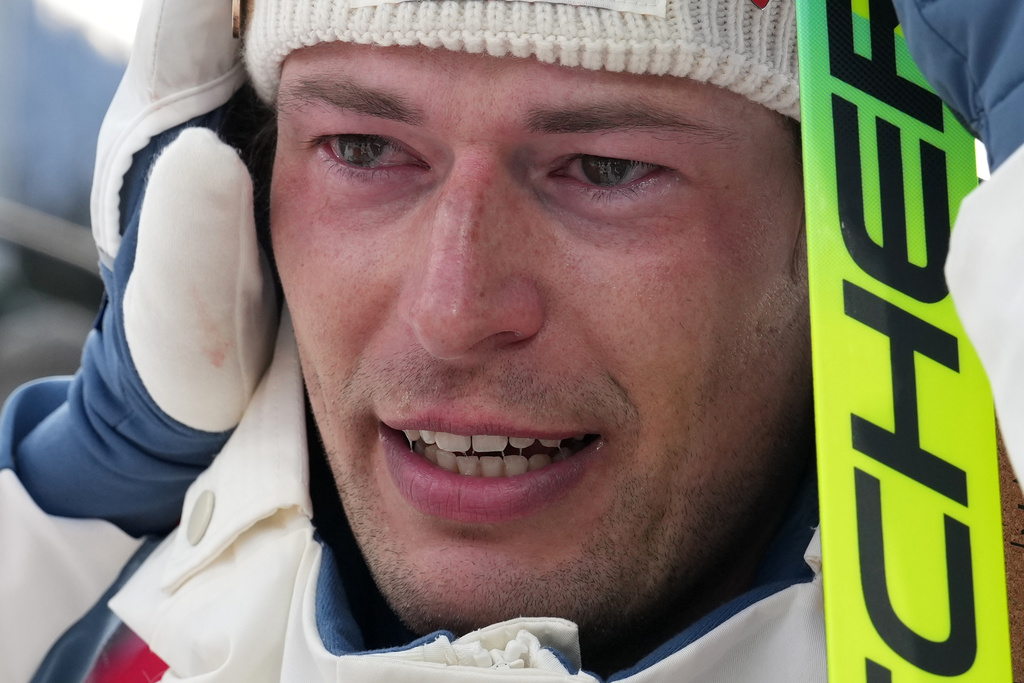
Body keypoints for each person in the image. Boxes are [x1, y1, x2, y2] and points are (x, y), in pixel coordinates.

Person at [0, 0, 1018, 680]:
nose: (457, 307)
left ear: (843, 225)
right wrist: (58, 537)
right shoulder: (94, 621)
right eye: (363, 149)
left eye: (606, 167)